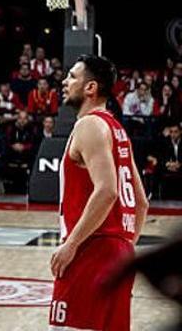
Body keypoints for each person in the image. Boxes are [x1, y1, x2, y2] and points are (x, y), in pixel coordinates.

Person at [49, 55, 149, 330]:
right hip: (118, 253)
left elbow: (107, 192)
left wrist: (72, 244)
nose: (65, 81)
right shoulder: (117, 130)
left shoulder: (89, 125)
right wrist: (123, 249)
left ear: (90, 88)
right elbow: (141, 203)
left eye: (72, 76)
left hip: (91, 251)